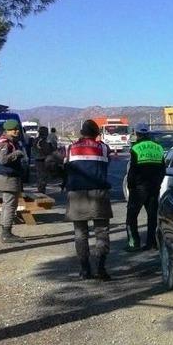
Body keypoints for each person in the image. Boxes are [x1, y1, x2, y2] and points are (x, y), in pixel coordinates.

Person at [65, 120, 113, 280]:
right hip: (99, 194)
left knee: (80, 233)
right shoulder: (103, 148)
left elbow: (62, 166)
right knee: (102, 232)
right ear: (96, 133)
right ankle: (101, 269)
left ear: (81, 132)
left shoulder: (70, 148)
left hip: (76, 194)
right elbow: (108, 162)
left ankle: (85, 270)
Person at [125, 124, 165, 252]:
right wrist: (158, 183)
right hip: (154, 187)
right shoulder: (158, 148)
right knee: (152, 216)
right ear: (148, 134)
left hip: (138, 188)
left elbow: (132, 170)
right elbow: (163, 169)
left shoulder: (135, 148)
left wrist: (130, 186)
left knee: (131, 216)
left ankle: (134, 243)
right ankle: (151, 243)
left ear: (137, 134)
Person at [0, 119, 27, 243]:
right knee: (10, 206)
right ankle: (6, 234)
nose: (17, 131)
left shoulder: (7, 142)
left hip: (9, 178)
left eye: (17, 129)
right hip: (8, 179)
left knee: (8, 205)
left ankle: (6, 232)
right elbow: (3, 160)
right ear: (7, 130)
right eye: (14, 129)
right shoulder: (4, 143)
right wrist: (17, 153)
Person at [33, 126, 56, 193]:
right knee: (43, 176)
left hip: (38, 159)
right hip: (43, 160)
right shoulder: (43, 140)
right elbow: (48, 150)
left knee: (40, 175)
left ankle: (41, 189)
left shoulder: (36, 139)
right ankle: (41, 191)